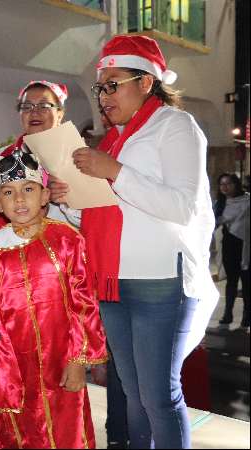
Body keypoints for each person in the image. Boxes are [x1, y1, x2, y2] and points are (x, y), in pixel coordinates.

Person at [67, 35, 219, 448]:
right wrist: (71, 198)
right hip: (114, 281)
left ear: (147, 82)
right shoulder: (114, 140)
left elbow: (183, 207)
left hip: (160, 282)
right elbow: (108, 210)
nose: (103, 95)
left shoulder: (175, 126)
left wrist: (114, 171)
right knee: (134, 395)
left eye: (113, 84)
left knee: (159, 397)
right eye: (101, 87)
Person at [0, 150, 108, 449]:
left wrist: (77, 360)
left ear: (45, 195)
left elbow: (84, 302)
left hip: (60, 362)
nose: (19, 200)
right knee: (20, 431)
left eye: (28, 189)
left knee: (65, 430)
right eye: (8, 192)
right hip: (13, 366)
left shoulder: (67, 239)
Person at [0, 80, 80, 231]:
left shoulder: (77, 157)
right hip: (11, 244)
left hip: (61, 245)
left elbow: (92, 218)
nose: (34, 112)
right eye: (27, 107)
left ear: (60, 113)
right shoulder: (3, 155)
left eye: (44, 106)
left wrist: (64, 200)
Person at [214, 173, 250, 327]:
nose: (225, 187)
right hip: (230, 245)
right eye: (222, 184)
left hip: (246, 245)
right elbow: (213, 222)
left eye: (228, 183)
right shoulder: (220, 204)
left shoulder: (247, 201)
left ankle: (247, 315)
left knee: (247, 282)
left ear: (236, 184)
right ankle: (227, 313)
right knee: (231, 282)